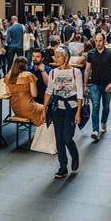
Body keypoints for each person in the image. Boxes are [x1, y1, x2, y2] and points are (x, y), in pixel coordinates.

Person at [42, 46, 83, 179]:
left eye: (58, 56)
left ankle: (74, 154)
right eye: (55, 55)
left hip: (71, 109)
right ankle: (63, 167)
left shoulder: (75, 72)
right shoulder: (53, 72)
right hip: (57, 109)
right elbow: (49, 92)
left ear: (66, 58)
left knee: (67, 138)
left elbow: (80, 94)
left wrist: (78, 112)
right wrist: (44, 109)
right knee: (59, 139)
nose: (55, 58)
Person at [84, 33, 111, 142]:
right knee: (95, 106)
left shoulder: (110, 54)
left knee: (106, 106)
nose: (98, 43)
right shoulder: (90, 54)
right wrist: (85, 85)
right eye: (96, 41)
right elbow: (87, 70)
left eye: (100, 41)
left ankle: (103, 121)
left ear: (104, 41)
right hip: (94, 84)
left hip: (107, 84)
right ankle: (95, 130)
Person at [4, 56, 44, 126]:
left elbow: (8, 92)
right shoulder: (29, 75)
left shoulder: (8, 77)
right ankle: (43, 133)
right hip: (28, 108)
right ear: (25, 65)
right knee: (46, 109)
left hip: (16, 109)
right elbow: (34, 94)